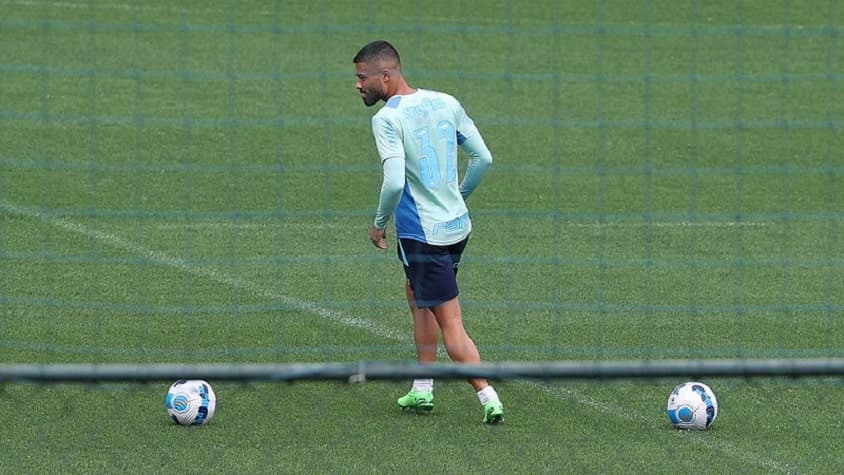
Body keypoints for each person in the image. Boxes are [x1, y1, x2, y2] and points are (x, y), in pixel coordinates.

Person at [352, 40, 503, 424]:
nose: (358, 85)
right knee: (417, 295)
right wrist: (458, 195)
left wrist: (378, 223)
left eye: (362, 78)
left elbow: (393, 183)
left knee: (449, 319)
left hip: (423, 235)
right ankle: (422, 388)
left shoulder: (387, 119)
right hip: (457, 227)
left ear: (385, 76)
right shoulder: (445, 102)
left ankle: (488, 397)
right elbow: (483, 158)